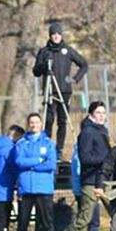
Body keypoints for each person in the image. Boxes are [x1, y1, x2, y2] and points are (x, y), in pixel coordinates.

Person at [55, 101, 110, 231]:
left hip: (103, 180)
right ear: (91, 114)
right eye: (99, 112)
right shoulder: (87, 132)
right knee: (85, 217)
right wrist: (106, 160)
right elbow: (85, 158)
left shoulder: (102, 131)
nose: (102, 116)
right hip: (90, 181)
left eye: (103, 113)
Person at [9, 113, 58, 231]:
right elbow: (19, 161)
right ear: (28, 124)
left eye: (37, 122)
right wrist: (38, 160)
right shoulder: (22, 143)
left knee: (46, 222)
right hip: (26, 188)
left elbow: (51, 164)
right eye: (31, 122)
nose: (34, 124)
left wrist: (31, 166)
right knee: (22, 221)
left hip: (44, 188)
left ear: (41, 124)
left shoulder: (48, 143)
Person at [32, 21, 88, 153]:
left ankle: (60, 150)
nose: (56, 36)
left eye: (58, 34)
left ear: (61, 35)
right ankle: (46, 147)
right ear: (50, 36)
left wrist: (75, 79)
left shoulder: (67, 50)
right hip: (49, 92)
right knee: (48, 121)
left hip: (64, 91)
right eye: (53, 34)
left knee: (62, 122)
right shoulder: (44, 52)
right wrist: (44, 66)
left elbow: (84, 64)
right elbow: (36, 72)